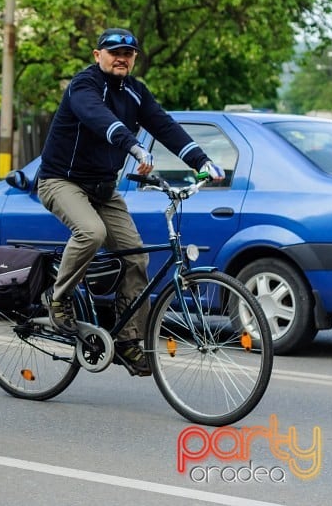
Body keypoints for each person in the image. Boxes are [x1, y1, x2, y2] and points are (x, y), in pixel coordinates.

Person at [37, 27, 224, 377]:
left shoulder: (137, 93)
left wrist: (200, 160)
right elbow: (99, 118)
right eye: (114, 52)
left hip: (104, 188)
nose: (121, 57)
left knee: (136, 257)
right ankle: (58, 299)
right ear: (98, 56)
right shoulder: (84, 85)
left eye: (128, 53)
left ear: (134, 58)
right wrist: (133, 145)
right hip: (60, 181)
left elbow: (165, 127)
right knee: (90, 232)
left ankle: (128, 341)